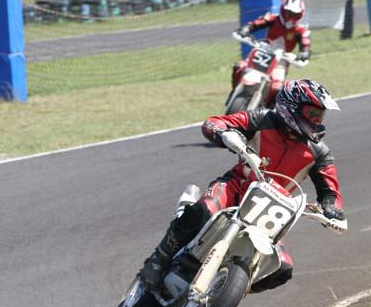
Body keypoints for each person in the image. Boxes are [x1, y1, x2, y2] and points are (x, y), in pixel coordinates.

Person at [140, 79, 345, 293]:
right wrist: (224, 133)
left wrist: (332, 209)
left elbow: (330, 191)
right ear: (292, 107)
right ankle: (158, 261)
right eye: (312, 114)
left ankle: (223, 291)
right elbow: (213, 123)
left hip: (272, 212)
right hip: (236, 188)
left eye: (319, 116)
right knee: (203, 210)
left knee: (281, 268)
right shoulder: (261, 119)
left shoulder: (319, 152)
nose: (317, 121)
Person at [231, 0, 311, 107]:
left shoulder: (301, 30)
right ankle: (234, 92)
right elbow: (255, 24)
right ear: (283, 10)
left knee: (277, 87)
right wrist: (246, 30)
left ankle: (267, 112)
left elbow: (305, 45)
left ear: (300, 15)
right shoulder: (272, 18)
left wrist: (303, 54)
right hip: (263, 52)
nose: (290, 17)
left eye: (294, 14)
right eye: (288, 13)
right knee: (239, 67)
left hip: (282, 60)